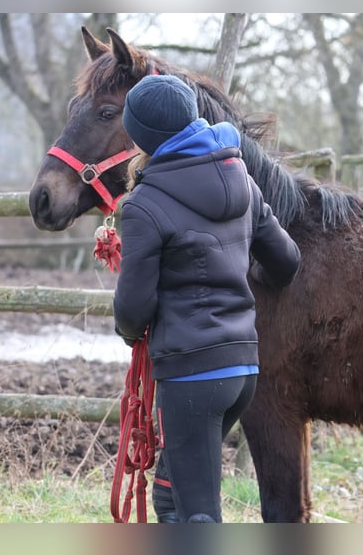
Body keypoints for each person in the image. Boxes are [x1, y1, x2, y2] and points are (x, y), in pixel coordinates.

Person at [113, 74, 301, 524]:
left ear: (141, 137)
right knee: (170, 499)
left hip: (192, 379)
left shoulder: (144, 204)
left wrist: (128, 331)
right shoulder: (243, 181)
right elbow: (286, 263)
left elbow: (132, 309)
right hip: (242, 370)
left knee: (199, 516)